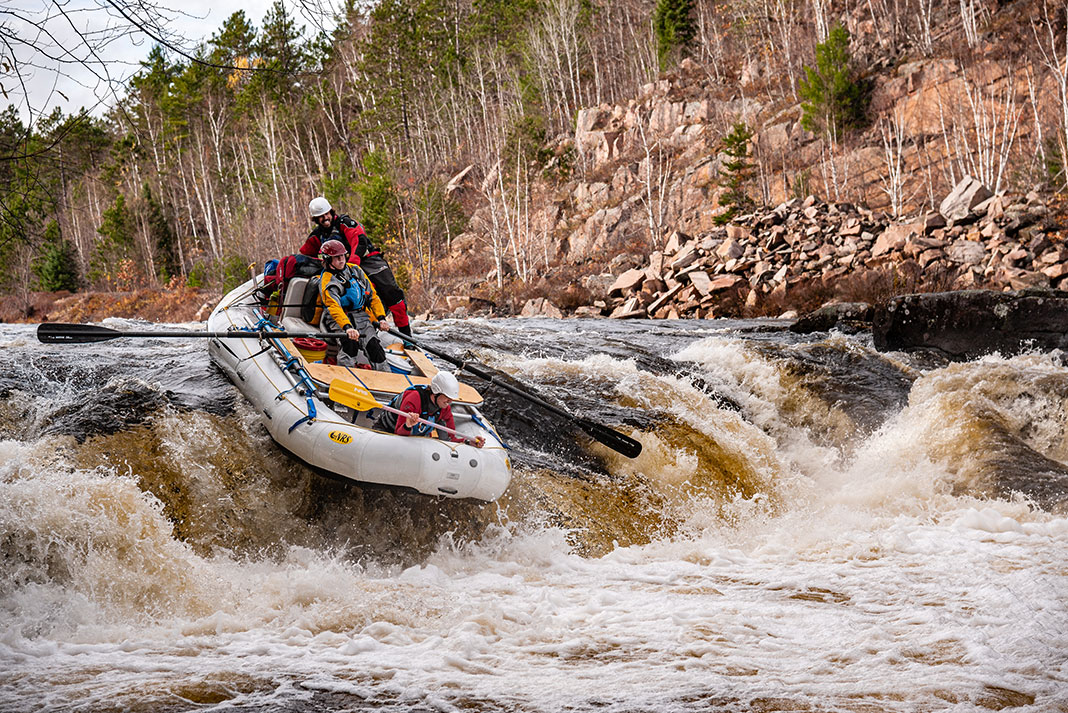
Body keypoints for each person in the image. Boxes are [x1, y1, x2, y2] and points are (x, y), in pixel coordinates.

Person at [300, 196, 413, 337]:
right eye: (320, 217)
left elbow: (360, 241)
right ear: (315, 219)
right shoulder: (317, 235)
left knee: (392, 293)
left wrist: (351, 265)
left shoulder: (346, 223)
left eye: (326, 214)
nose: (325, 218)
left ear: (331, 212)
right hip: (341, 266)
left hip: (367, 261)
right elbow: (305, 254)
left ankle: (407, 336)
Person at [318, 239, 390, 371]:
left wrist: (381, 318)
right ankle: (346, 378)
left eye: (342, 256)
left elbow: (373, 296)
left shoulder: (355, 270)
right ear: (328, 260)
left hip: (361, 316)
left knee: (375, 347)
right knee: (350, 345)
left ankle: (386, 381)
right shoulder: (328, 281)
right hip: (338, 318)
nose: (341, 260)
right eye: (337, 258)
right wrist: (347, 327)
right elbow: (334, 307)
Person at [375, 372, 485, 448]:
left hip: (415, 439)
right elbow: (399, 432)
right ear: (436, 392)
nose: (450, 401)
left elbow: (450, 439)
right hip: (387, 430)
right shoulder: (414, 399)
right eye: (447, 396)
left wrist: (468, 442)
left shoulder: (444, 408)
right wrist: (407, 425)